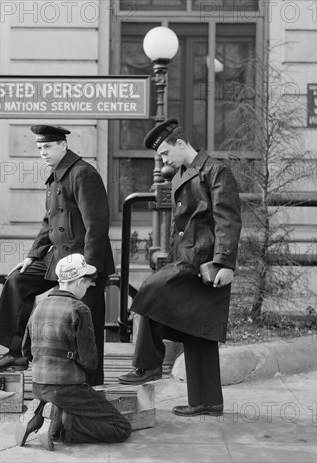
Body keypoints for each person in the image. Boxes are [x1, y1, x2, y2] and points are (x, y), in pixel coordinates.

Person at [118, 118, 242, 417]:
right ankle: (207, 402)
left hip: (205, 262)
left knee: (149, 294)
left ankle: (147, 366)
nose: (162, 160)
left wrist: (225, 262)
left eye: (164, 153)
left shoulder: (216, 171)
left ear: (181, 143)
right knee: (199, 331)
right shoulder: (184, 173)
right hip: (187, 258)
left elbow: (228, 219)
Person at [0, 124, 114, 386]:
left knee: (86, 319)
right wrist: (33, 256)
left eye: (47, 147)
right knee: (17, 282)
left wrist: (90, 266)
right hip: (56, 258)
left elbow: (97, 224)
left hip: (82, 262)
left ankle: (90, 382)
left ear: (63, 145)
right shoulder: (56, 175)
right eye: (39, 148)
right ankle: (16, 353)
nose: (42, 152)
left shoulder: (83, 174)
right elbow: (48, 223)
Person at [15, 253, 131, 451]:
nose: (88, 288)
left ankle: (40, 411)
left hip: (38, 385)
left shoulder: (40, 306)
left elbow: (26, 351)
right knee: (121, 427)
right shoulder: (79, 308)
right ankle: (61, 425)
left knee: (68, 401)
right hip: (66, 388)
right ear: (78, 281)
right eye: (87, 284)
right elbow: (89, 359)